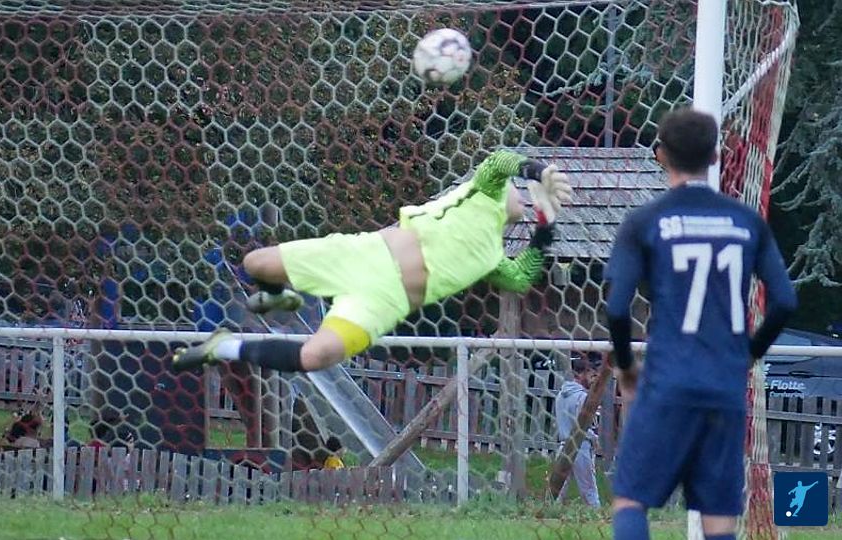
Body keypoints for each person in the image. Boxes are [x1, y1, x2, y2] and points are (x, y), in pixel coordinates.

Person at [171, 149, 573, 373]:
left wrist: (546, 220)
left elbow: (523, 277)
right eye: (521, 190)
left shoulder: (493, 258)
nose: (524, 195)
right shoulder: (482, 192)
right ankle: (277, 297)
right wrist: (536, 170)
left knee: (314, 357)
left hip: (383, 302)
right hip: (363, 255)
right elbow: (501, 160)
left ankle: (224, 346)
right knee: (256, 264)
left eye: (528, 197)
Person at [604, 108, 797, 540]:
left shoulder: (644, 222)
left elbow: (616, 309)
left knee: (631, 500)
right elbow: (785, 300)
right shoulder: (746, 221)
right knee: (717, 519)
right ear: (715, 156)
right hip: (723, 388)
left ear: (660, 155)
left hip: (667, 383)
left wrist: (627, 368)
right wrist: (748, 354)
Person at [554, 353, 602, 508]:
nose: (593, 379)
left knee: (556, 491)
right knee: (589, 490)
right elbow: (583, 426)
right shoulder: (582, 397)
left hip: (563, 445)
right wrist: (594, 439)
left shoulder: (560, 395)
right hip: (581, 446)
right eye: (591, 375)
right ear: (582, 374)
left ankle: (549, 513)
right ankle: (596, 516)